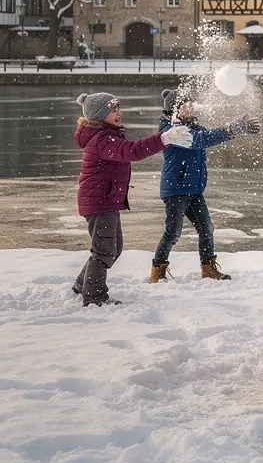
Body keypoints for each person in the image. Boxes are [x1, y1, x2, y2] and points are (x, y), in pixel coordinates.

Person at [73, 91, 192, 307]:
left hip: (104, 201)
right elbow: (132, 151)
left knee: (112, 249)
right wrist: (164, 138)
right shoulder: (102, 139)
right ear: (99, 115)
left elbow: (128, 151)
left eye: (118, 108)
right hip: (100, 202)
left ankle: (82, 284)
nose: (118, 113)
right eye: (112, 110)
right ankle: (94, 296)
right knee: (104, 251)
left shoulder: (106, 135)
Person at [150, 88, 261, 283]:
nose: (193, 107)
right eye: (188, 104)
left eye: (194, 103)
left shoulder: (193, 126)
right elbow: (201, 140)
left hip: (194, 190)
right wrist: (230, 129)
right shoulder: (171, 131)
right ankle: (157, 272)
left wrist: (234, 129)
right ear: (176, 109)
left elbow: (207, 135)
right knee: (173, 233)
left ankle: (208, 268)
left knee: (206, 229)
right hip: (176, 190)